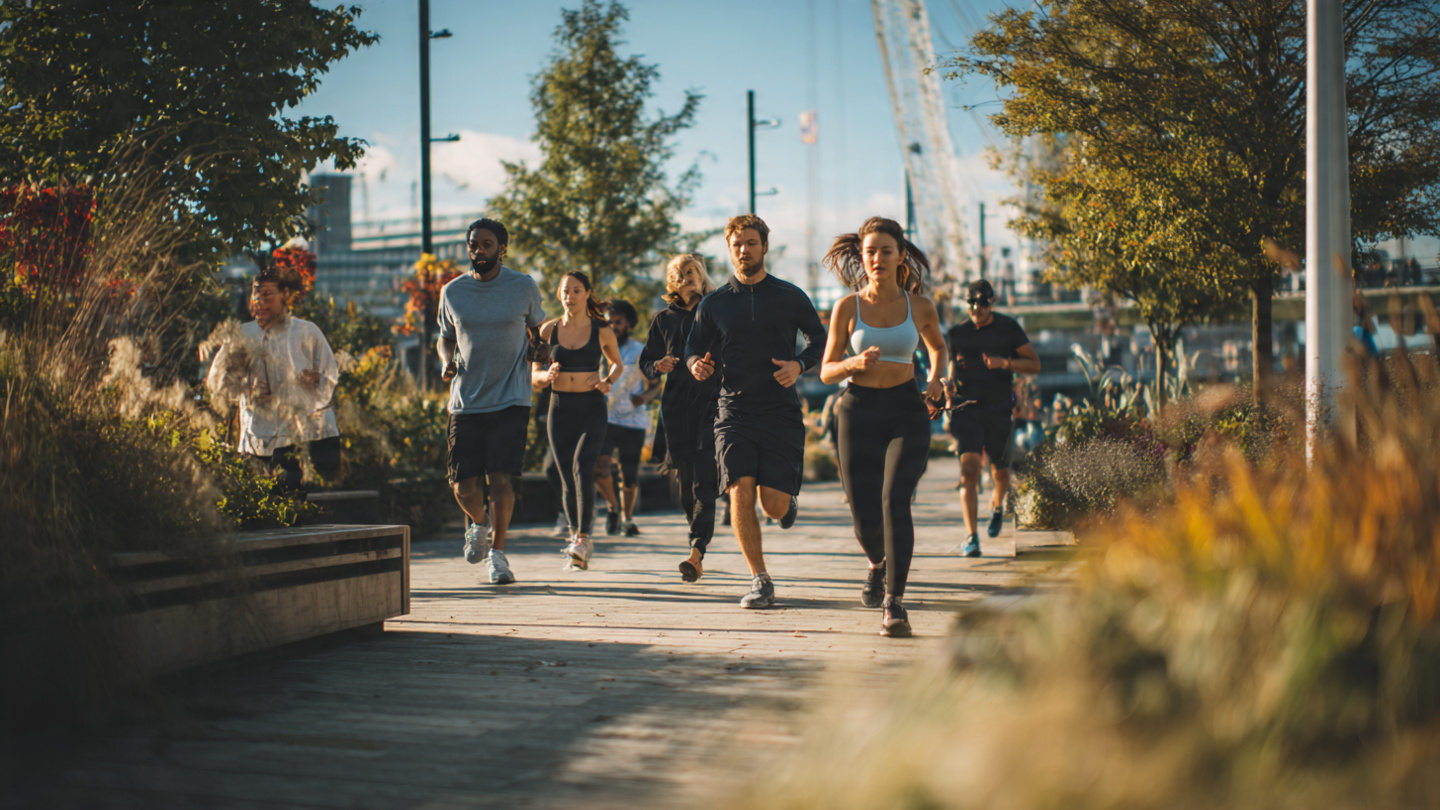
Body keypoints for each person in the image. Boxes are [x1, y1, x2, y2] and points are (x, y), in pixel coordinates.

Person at [686, 214, 827, 609]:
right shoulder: (714, 304)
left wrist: (799, 365)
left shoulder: (789, 295)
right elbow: (692, 349)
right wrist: (695, 364)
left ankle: (786, 502)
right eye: (736, 245)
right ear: (729, 250)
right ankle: (759, 579)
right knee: (738, 491)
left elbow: (820, 337)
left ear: (764, 246)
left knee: (773, 505)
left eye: (750, 242)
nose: (743, 250)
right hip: (733, 411)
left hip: (780, 412)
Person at [818, 217, 947, 637]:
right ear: (862, 257)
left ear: (899, 255)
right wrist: (853, 363)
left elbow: (938, 347)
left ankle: (894, 603)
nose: (876, 258)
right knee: (863, 517)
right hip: (857, 410)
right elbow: (825, 372)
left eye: (885, 250)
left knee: (895, 500)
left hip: (906, 411)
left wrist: (934, 378)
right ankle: (877, 563)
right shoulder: (847, 307)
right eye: (870, 251)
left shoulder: (920, 306)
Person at [438, 218, 546, 585]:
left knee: (502, 478)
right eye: (473, 245)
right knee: (463, 485)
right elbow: (445, 337)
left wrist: (541, 349)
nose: (478, 251)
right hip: (466, 400)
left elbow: (537, 331)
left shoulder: (523, 286)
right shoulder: (452, 291)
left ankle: (498, 556)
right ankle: (478, 525)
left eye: (486, 245)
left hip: (511, 397)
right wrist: (445, 361)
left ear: (501, 248)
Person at [206, 267, 341, 492]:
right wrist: (246, 390)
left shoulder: (307, 332)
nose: (260, 300)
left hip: (298, 437)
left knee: (295, 508)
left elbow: (331, 376)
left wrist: (318, 379)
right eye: (256, 293)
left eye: (268, 294)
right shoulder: (243, 335)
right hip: (258, 439)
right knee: (263, 510)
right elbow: (216, 381)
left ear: (285, 295)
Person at [640, 253, 722, 582]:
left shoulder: (715, 312)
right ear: (671, 280)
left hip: (713, 403)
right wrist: (656, 366)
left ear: (702, 277)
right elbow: (647, 360)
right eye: (679, 273)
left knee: (705, 479)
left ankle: (696, 549)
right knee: (685, 483)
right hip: (676, 409)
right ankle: (697, 541)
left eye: (691, 272)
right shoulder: (663, 319)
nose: (685, 277)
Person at [532, 272, 623, 571]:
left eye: (576, 290)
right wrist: (547, 375)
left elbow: (616, 364)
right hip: (559, 409)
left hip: (591, 408)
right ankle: (575, 536)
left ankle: (583, 538)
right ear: (559, 294)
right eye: (565, 291)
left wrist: (608, 381)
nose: (570, 295)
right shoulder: (547, 330)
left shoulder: (601, 330)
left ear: (587, 294)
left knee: (583, 467)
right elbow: (535, 377)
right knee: (565, 476)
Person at [946, 278, 1041, 557]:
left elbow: (1034, 364)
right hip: (966, 411)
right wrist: (947, 385)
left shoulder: (1008, 328)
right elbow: (951, 367)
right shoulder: (956, 333)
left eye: (982, 302)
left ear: (992, 302)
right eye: (971, 303)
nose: (976, 308)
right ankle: (971, 536)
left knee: (1001, 473)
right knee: (969, 471)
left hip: (999, 410)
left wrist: (1005, 363)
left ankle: (997, 505)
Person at [595, 299, 660, 537]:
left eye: (618, 322)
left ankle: (627, 518)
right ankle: (613, 506)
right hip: (605, 417)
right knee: (599, 467)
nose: (613, 326)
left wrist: (644, 398)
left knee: (629, 475)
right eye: (609, 322)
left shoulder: (639, 351)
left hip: (632, 421)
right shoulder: (597, 347)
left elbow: (655, 384)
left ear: (628, 324)